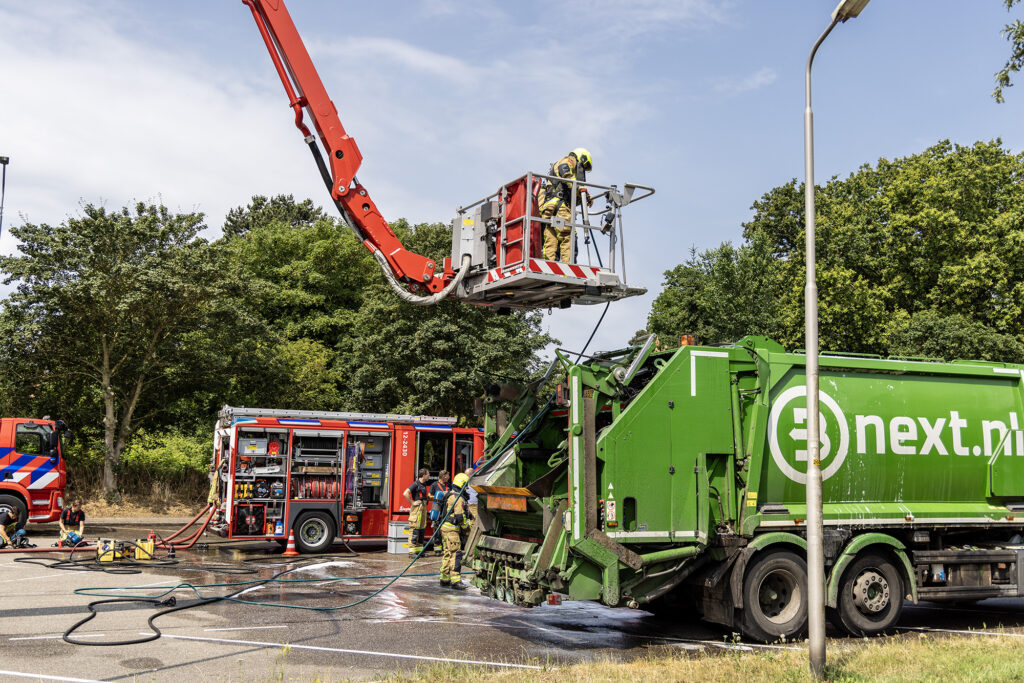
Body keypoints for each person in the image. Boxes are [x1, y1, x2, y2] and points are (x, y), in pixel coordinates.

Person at [537, 147, 594, 263]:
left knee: (551, 242)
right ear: (581, 158)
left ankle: (548, 270)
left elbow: (569, 191)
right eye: (584, 165)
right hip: (561, 208)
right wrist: (580, 188)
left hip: (550, 209)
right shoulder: (568, 160)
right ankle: (569, 270)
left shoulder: (561, 174)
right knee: (569, 237)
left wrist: (584, 198)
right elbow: (566, 174)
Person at [439, 472, 473, 590]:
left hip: (445, 529)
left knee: (447, 553)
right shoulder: (458, 498)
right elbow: (459, 516)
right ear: (462, 484)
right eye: (466, 485)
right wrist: (467, 528)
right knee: (456, 554)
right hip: (452, 530)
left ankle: (445, 578)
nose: (467, 489)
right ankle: (456, 581)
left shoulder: (450, 494)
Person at [403, 468, 431, 556]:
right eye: (428, 474)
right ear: (423, 475)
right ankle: (411, 552)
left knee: (422, 529)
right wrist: (412, 502)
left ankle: (419, 551)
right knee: (414, 529)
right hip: (417, 509)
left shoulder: (424, 484)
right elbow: (405, 493)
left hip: (423, 508)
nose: (429, 476)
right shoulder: (415, 484)